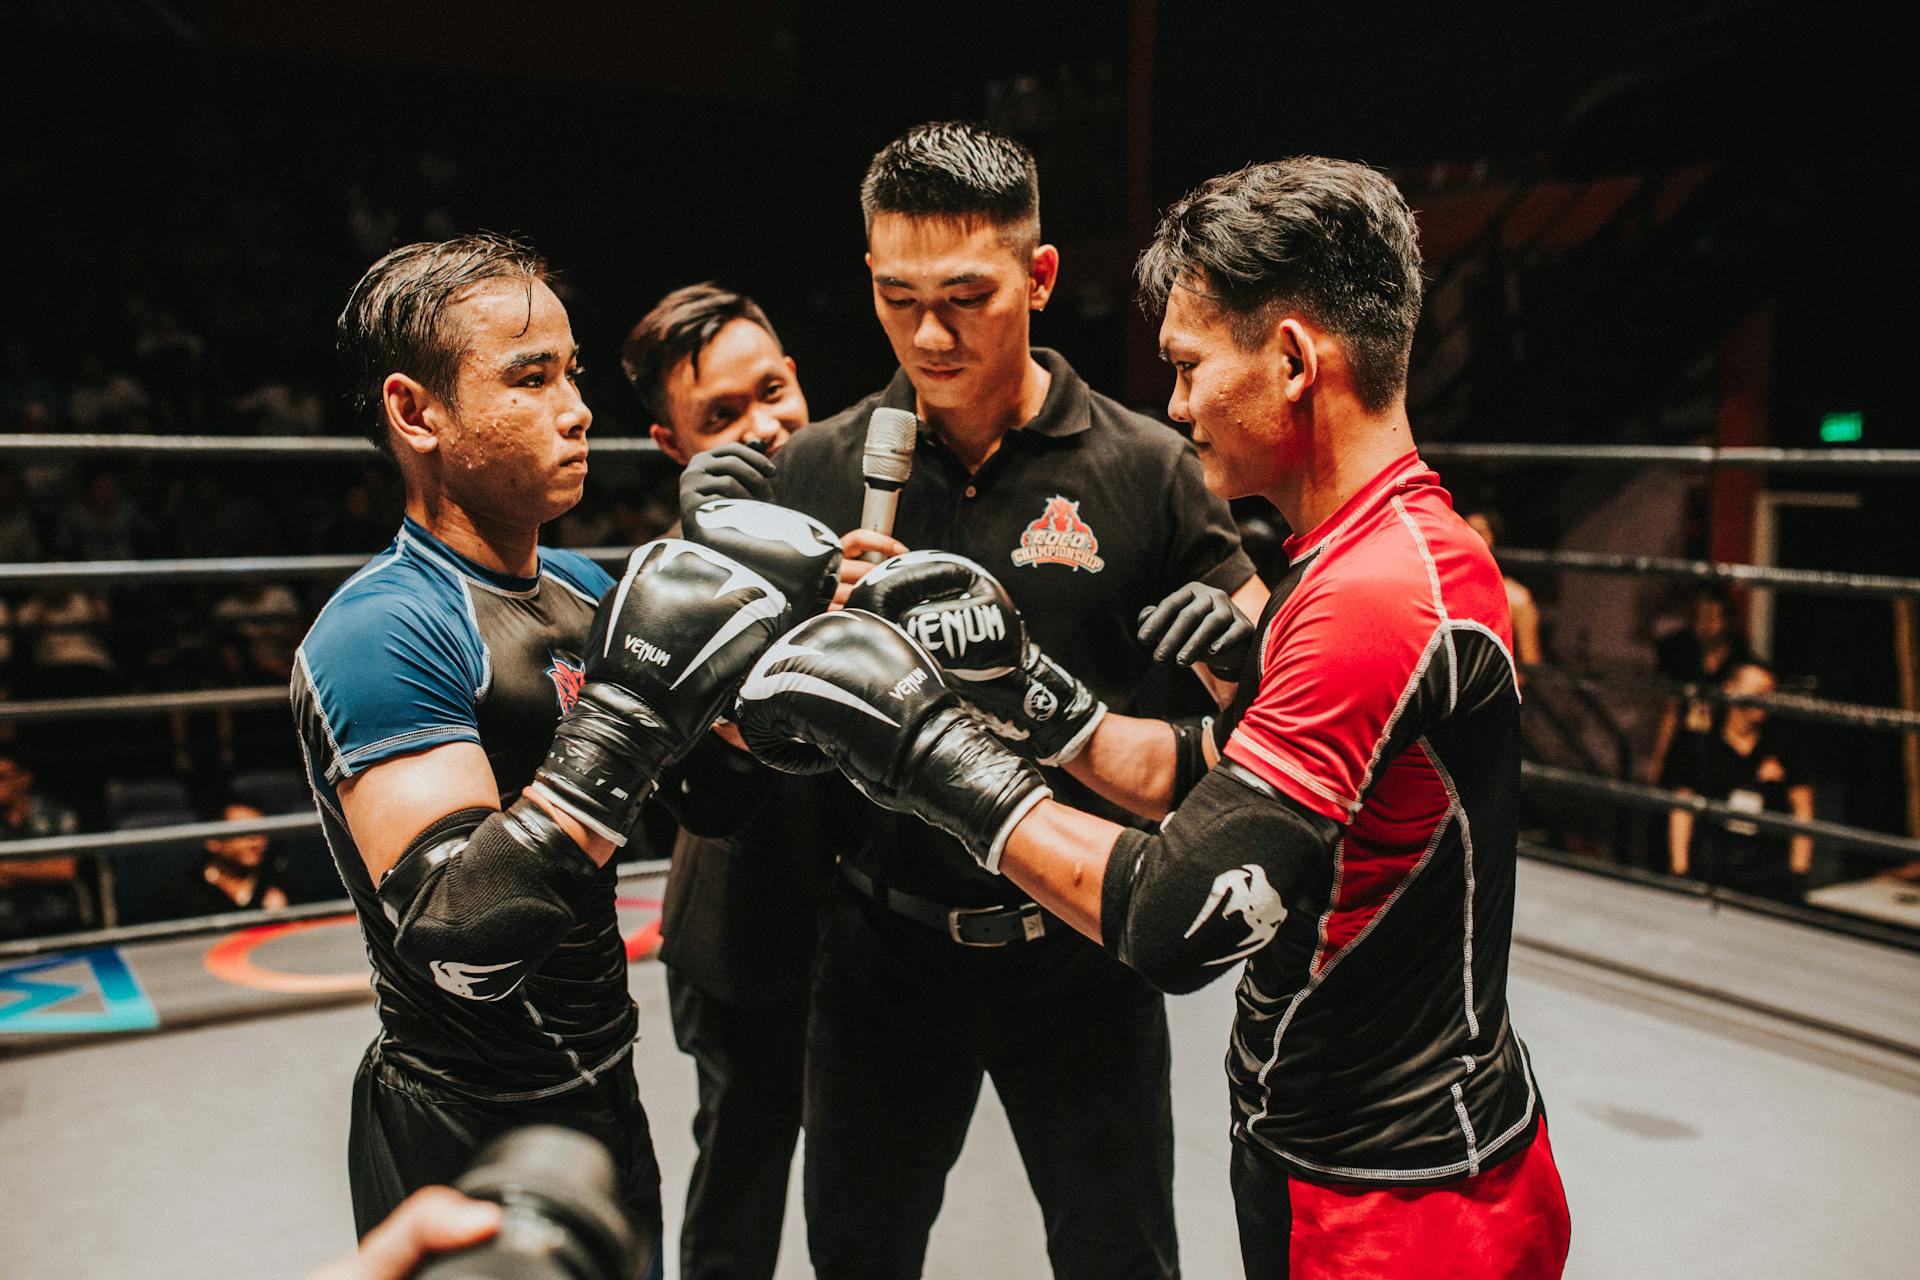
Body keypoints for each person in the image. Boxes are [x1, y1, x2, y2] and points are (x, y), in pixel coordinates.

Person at [736, 156, 1570, 1278]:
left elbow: (1182, 915)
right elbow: (1222, 775)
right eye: (899, 295)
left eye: (1186, 365)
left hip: (1399, 1180)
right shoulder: (1353, 564)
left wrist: (928, 749)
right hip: (1329, 1144)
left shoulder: (1373, 594)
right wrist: (1032, 689)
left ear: (1289, 361)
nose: (1175, 401)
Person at [710, 121, 1262, 1280]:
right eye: (897, 295)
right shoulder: (817, 469)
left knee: (1122, 1259)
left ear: (1040, 278)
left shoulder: (1145, 465)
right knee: (856, 1257)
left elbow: (1262, 691)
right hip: (882, 947)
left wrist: (1240, 646)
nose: (927, 333)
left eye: (965, 295)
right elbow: (743, 752)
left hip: (1080, 947)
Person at [294, 232, 794, 1276]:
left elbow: (708, 798)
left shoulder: (580, 589)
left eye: (569, 371)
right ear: (415, 411)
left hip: (601, 1084)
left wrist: (788, 691)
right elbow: (460, 939)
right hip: (459, 1122)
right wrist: (627, 709)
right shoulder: (385, 630)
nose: (574, 406)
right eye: (529, 377)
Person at [618, 284, 821, 1280]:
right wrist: (721, 553)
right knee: (738, 1200)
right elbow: (698, 786)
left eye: (774, 390)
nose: (765, 426)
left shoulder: (876, 508)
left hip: (876, 933)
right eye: (723, 416)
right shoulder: (663, 578)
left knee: (871, 1199)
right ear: (674, 445)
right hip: (743, 934)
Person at [1666, 661, 1814, 898]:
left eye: (1770, 693)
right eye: (1758, 693)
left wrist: (1798, 873)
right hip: (1712, 865)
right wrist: (1680, 870)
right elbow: (1682, 806)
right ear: (1730, 689)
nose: (1765, 700)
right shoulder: (1703, 743)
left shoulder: (1782, 743)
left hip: (1767, 871)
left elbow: (1803, 809)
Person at [1649, 586, 1751, 785]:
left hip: (1724, 750)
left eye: (1712, 617)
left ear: (1727, 620)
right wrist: (1658, 760)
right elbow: (1671, 710)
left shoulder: (1740, 658)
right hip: (1687, 745)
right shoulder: (1684, 654)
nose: (1705, 625)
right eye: (1700, 617)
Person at [0, 749, 86, 940]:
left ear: (24, 779)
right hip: (5, 928)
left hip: (55, 922)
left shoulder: (57, 815)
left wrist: (6, 869)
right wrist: (38, 869)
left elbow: (64, 869)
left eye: (2, 777)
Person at [1464, 508, 1543, 677]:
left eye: (1479, 532)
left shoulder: (1516, 597)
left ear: (1494, 538)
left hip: (1491, 693)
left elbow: (1530, 661)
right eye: (1466, 530)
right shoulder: (1445, 586)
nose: (1471, 537)